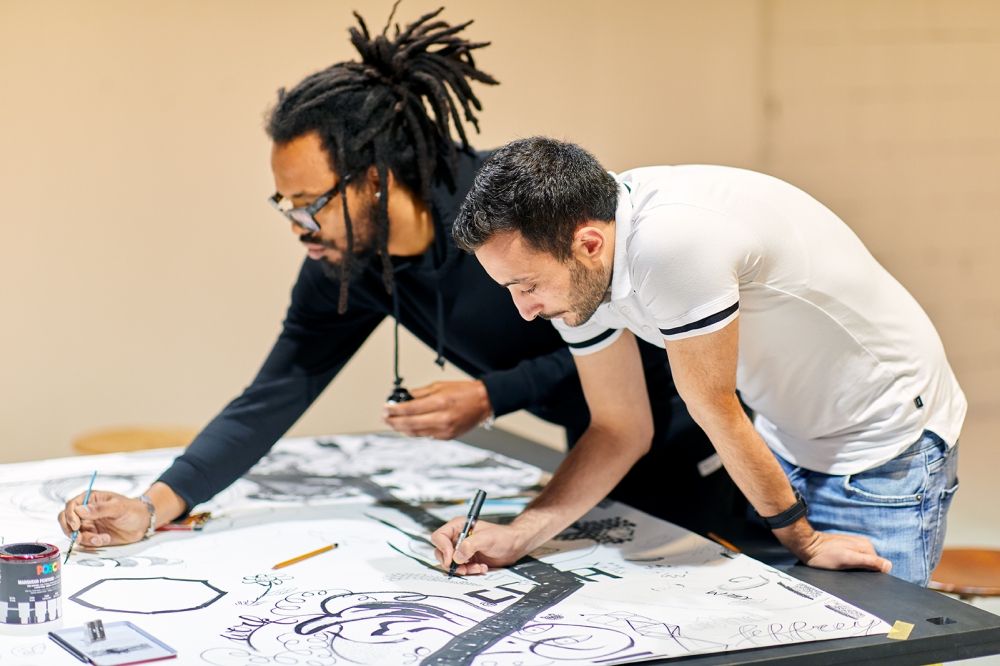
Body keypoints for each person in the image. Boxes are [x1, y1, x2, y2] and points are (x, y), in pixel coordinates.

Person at [58, 11, 740, 548]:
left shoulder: (506, 213)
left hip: (690, 428)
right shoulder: (347, 266)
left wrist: (492, 395)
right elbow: (275, 391)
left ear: (376, 182)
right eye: (285, 206)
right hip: (597, 441)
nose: (299, 226)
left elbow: (627, 339)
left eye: (311, 203)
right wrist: (155, 504)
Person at [438, 136, 966, 587]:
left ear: (588, 243)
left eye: (526, 285)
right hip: (784, 432)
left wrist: (803, 540)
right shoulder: (582, 267)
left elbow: (713, 408)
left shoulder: (671, 243)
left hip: (882, 441)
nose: (525, 311)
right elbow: (619, 427)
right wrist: (517, 534)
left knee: (871, 645)